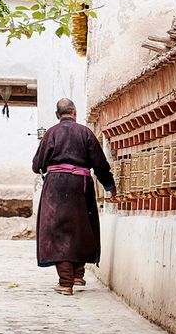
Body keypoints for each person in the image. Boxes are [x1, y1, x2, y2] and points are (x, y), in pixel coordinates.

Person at [31, 98, 116, 296]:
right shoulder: (85, 133)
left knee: (56, 230)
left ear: (57, 115)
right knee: (82, 228)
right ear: (75, 113)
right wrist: (109, 185)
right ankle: (78, 274)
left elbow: (37, 165)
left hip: (55, 187)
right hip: (81, 185)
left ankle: (66, 281)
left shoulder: (51, 133)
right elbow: (100, 164)